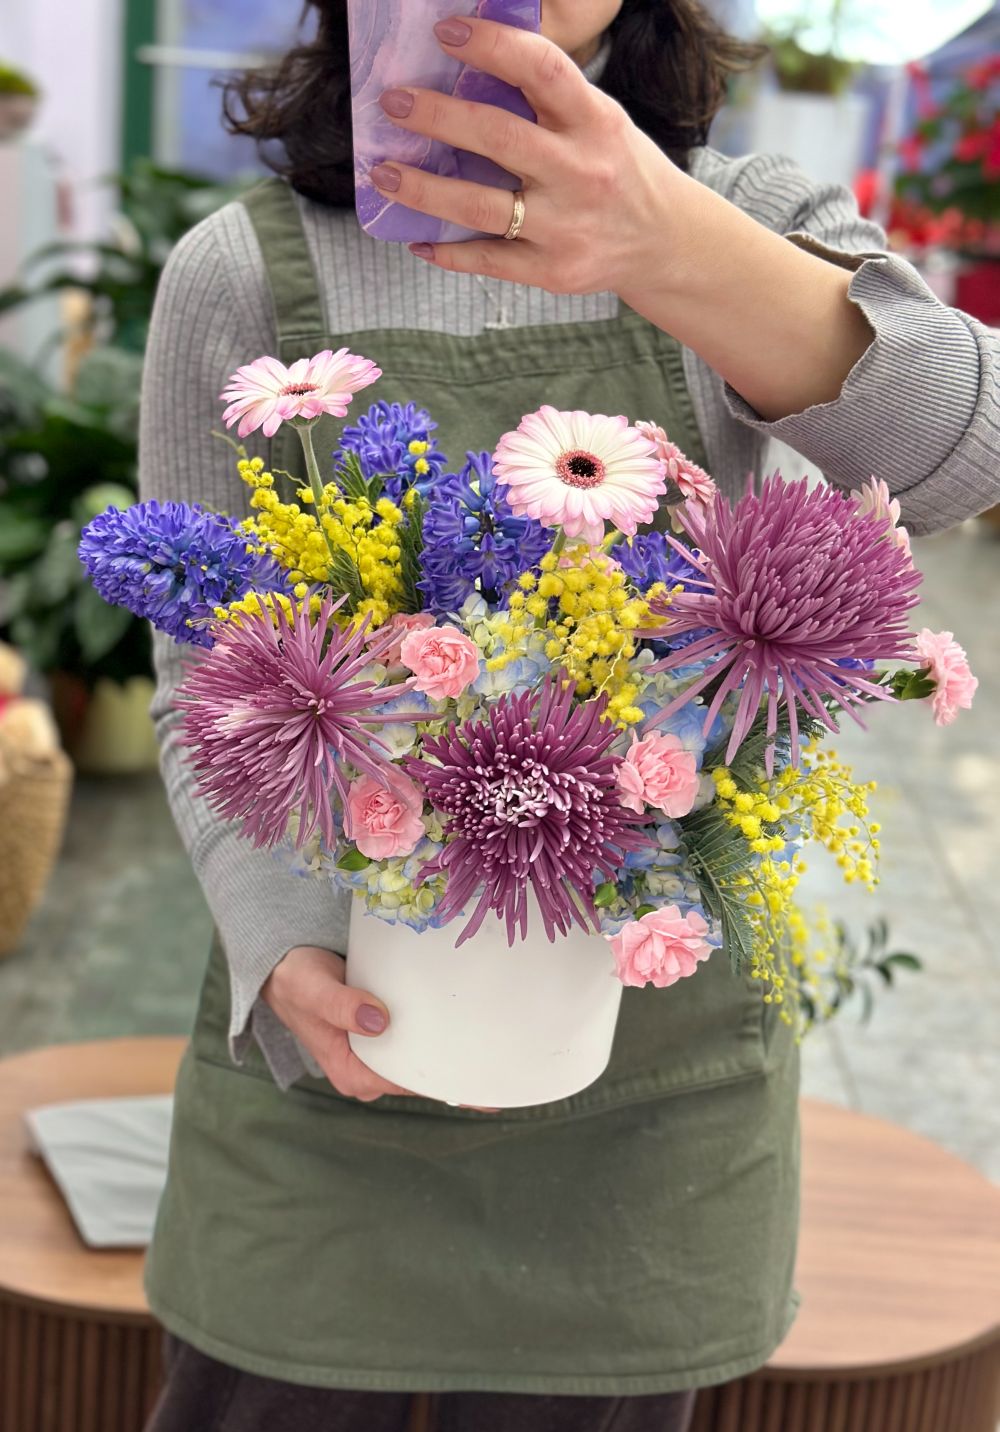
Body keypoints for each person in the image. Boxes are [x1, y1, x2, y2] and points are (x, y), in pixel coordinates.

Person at [140, 2, 1000, 1429]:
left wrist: (671, 246)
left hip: (651, 1105)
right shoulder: (243, 269)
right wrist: (285, 943)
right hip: (332, 1077)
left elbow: (966, 456)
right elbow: (204, 680)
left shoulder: (746, 220)